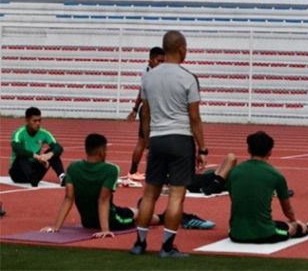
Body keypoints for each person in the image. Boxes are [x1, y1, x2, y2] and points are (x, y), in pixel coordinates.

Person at [130, 30, 206, 259]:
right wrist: (202, 148)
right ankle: (166, 247)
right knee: (176, 195)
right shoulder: (188, 77)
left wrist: (148, 142)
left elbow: (145, 115)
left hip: (157, 138)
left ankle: (140, 243)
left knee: (150, 193)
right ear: (181, 49)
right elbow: (194, 118)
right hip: (180, 138)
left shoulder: (148, 76)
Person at [41, 133, 210, 236]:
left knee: (135, 210)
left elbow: (69, 198)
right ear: (101, 151)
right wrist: (106, 229)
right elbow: (103, 200)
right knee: (138, 214)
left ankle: (151, 211)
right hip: (113, 220)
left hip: (88, 221)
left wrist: (56, 227)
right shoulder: (110, 169)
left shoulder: (73, 167)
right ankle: (166, 217)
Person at [227, 131, 308, 243]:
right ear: (270, 151)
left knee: (278, 223)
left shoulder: (234, 172)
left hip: (235, 233)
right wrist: (294, 221)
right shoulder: (275, 175)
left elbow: (236, 199)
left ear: (248, 150)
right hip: (264, 234)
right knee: (292, 228)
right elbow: (287, 209)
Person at [125, 47, 165, 182]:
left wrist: (135, 109)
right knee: (146, 142)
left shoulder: (149, 72)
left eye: (163, 61)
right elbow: (142, 93)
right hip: (150, 110)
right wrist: (136, 109)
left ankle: (133, 171)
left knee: (145, 142)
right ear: (151, 60)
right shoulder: (152, 74)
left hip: (152, 109)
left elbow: (141, 92)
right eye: (159, 60)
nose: (161, 64)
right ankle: (141, 171)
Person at [9, 107, 65, 187]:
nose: (38, 123)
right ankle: (32, 177)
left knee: (53, 151)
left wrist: (49, 155)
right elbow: (17, 148)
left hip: (34, 171)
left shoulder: (44, 133)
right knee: (22, 155)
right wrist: (36, 156)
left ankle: (62, 177)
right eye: (34, 121)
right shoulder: (19, 133)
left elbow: (59, 147)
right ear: (27, 120)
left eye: (39, 120)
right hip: (17, 173)